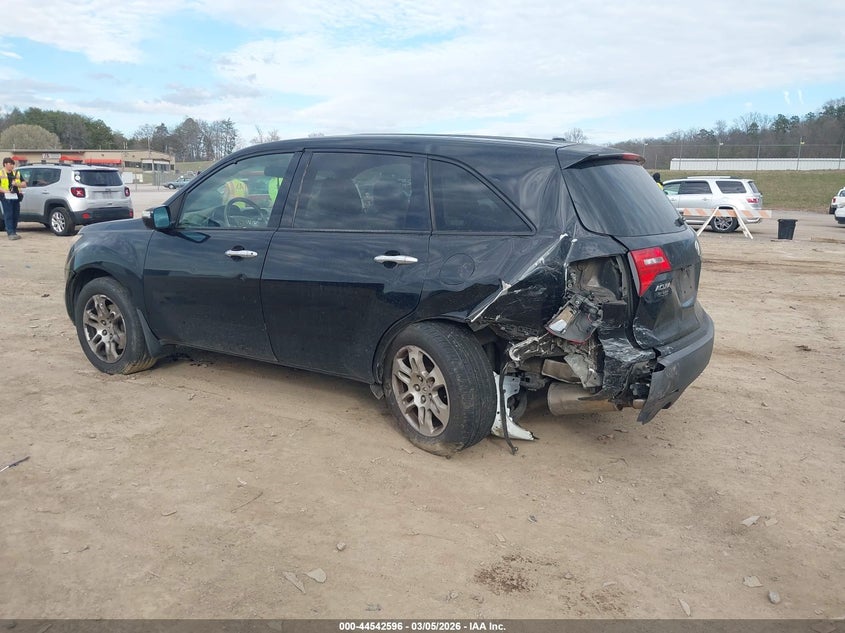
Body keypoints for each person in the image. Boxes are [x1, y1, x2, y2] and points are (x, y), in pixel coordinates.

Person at [0, 157, 27, 240]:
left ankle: (14, 231)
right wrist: (5, 191)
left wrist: (16, 184)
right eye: (10, 164)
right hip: (5, 196)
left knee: (15, 214)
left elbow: (24, 184)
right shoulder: (1, 173)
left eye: (13, 164)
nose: (12, 166)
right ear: (5, 164)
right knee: (9, 214)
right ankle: (10, 232)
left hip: (16, 195)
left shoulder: (16, 173)